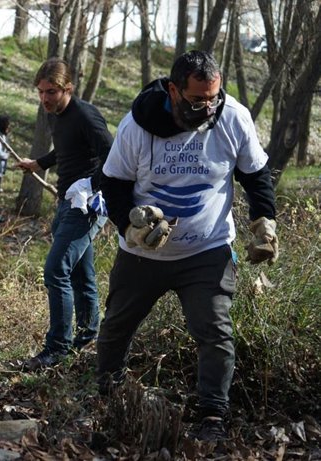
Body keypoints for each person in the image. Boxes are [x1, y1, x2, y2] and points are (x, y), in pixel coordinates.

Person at [97, 50, 278, 442]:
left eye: (213, 97)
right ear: (174, 90)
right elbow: (112, 183)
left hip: (207, 250)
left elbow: (256, 174)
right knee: (116, 326)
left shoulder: (233, 118)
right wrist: (127, 226)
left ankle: (213, 414)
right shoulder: (137, 127)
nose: (207, 107)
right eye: (197, 100)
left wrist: (264, 222)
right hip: (143, 253)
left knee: (215, 331)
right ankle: (109, 395)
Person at [16, 58, 114, 370]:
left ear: (67, 89)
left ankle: (57, 347)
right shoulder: (56, 116)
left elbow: (112, 154)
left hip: (86, 206)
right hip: (65, 203)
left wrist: (91, 184)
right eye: (41, 92)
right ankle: (87, 336)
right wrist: (40, 164)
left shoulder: (85, 113)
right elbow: (66, 149)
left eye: (52, 92)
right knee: (79, 273)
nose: (45, 98)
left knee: (56, 269)